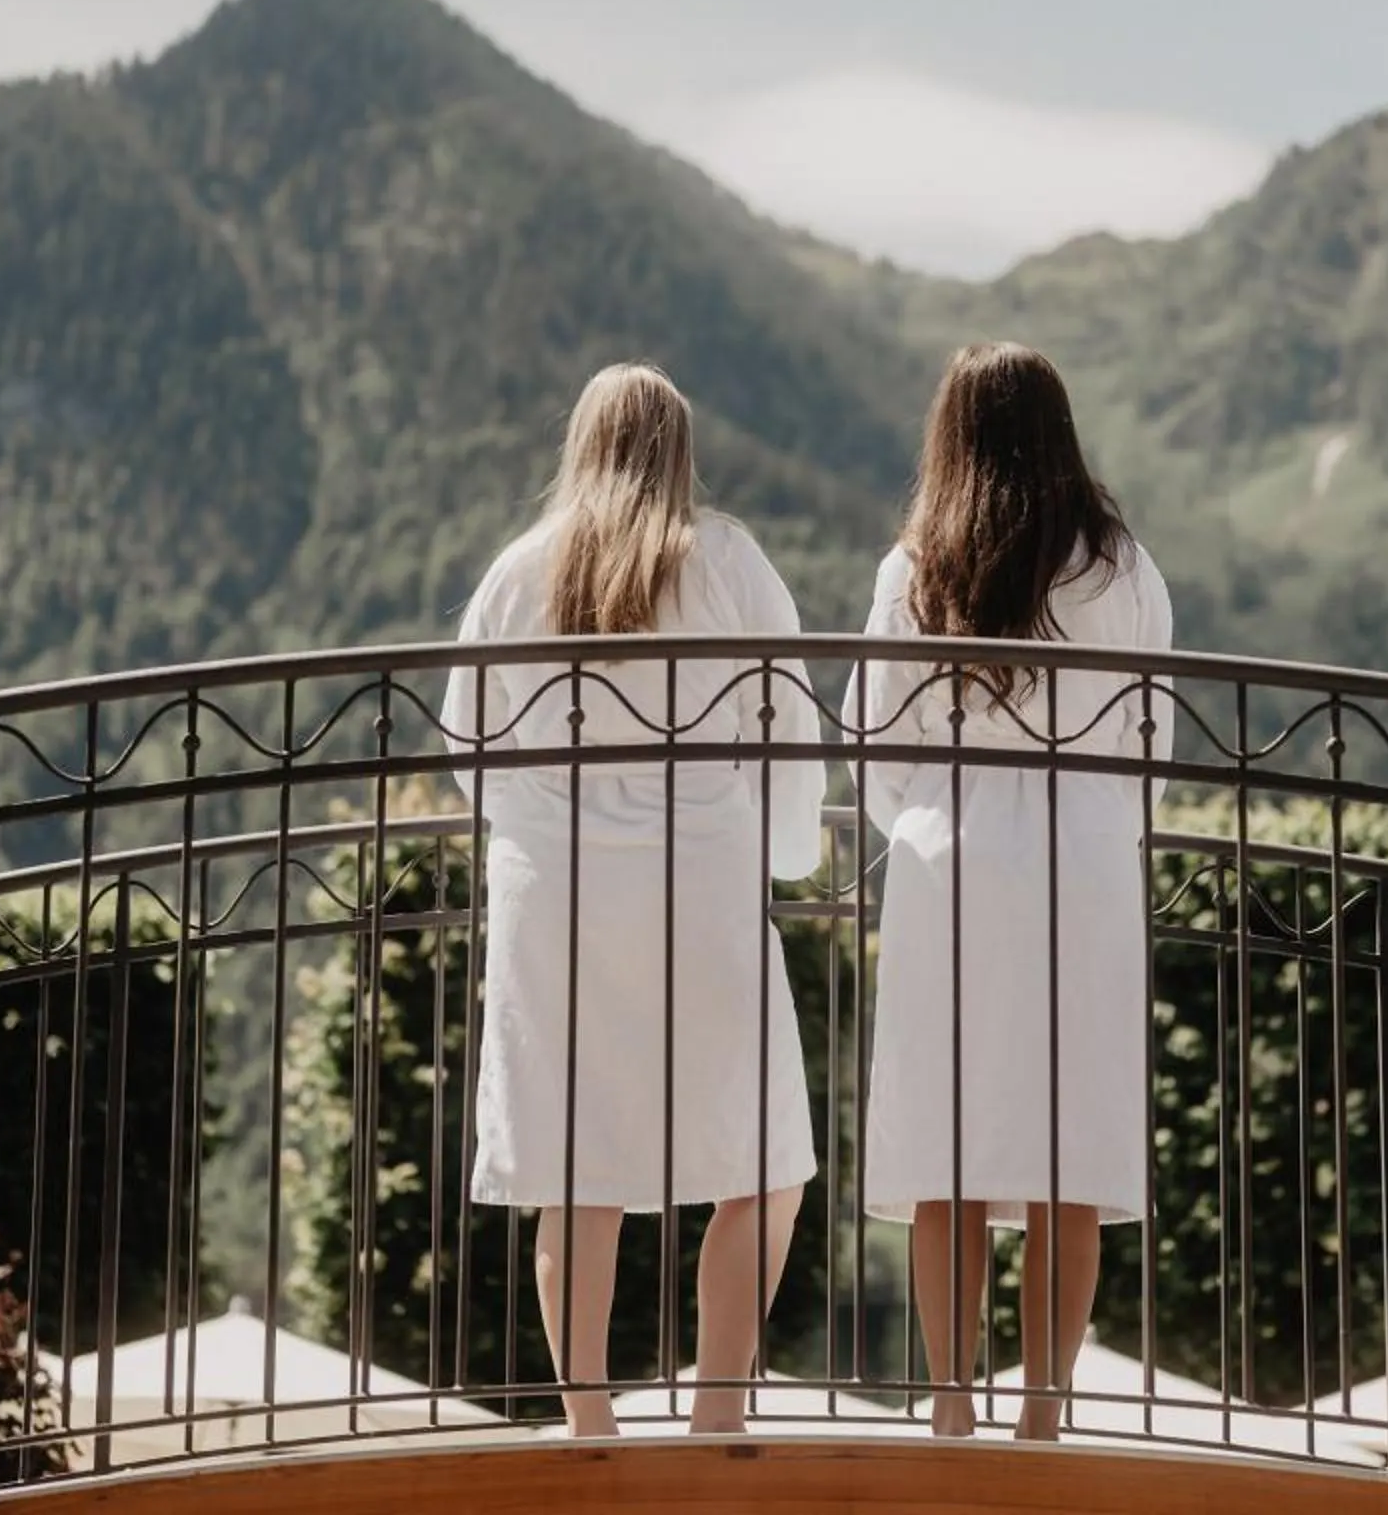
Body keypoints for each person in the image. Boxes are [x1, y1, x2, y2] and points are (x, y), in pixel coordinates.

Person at [442, 364, 823, 1437]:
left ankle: (590, 1424)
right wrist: (785, 848)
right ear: (680, 451)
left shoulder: (519, 571)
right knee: (765, 1158)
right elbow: (789, 724)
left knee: (577, 1166)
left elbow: (469, 743)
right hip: (699, 881)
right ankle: (716, 1413)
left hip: (557, 897)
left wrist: (543, 829)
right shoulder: (729, 561)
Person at [852, 342, 1174, 1441]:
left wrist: (933, 815)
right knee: (1065, 1148)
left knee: (947, 1144)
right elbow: (1148, 742)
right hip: (1083, 859)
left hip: (952, 857)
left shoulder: (917, 568)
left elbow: (878, 740)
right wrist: (1095, 823)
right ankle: (1044, 1408)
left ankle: (950, 1400)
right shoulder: (1122, 567)